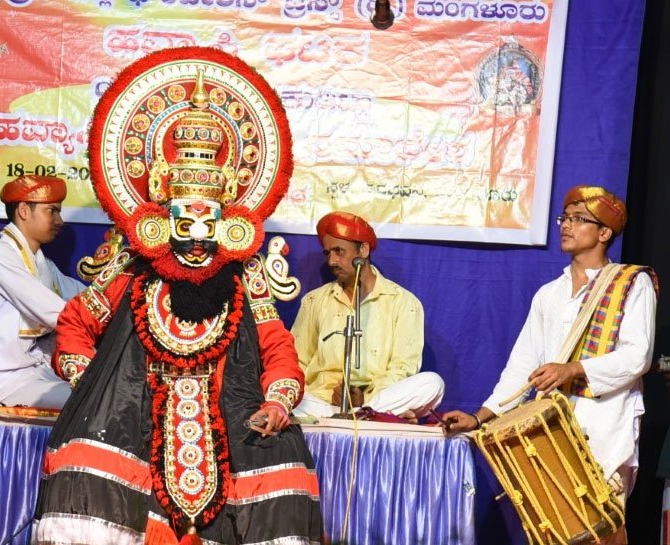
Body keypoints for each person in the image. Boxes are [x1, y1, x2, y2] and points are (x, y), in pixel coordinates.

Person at [33, 48, 323, 544]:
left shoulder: (245, 275)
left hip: (231, 416)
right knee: (84, 460)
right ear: (161, 220)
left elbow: (277, 348)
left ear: (229, 224)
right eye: (184, 225)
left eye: (208, 226)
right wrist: (93, 384)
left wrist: (277, 401)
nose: (196, 241)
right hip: (136, 415)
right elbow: (76, 324)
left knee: (284, 462)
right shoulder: (133, 269)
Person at [443, 185, 658, 541]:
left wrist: (572, 369)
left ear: (604, 233)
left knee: (601, 528)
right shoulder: (549, 294)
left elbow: (638, 356)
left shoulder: (632, 284)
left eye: (579, 219)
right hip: (550, 428)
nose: (566, 225)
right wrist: (480, 417)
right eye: (565, 218)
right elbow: (522, 366)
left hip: (606, 423)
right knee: (554, 532)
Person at [291, 211, 444, 421]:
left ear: (363, 250)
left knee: (432, 384)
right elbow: (296, 361)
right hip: (321, 404)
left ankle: (364, 414)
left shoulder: (404, 302)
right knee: (278, 393)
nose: (332, 261)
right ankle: (370, 418)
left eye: (339, 251)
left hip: (376, 400)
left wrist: (365, 398)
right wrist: (322, 395)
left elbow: (403, 369)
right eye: (327, 253)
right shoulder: (314, 301)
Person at [0, 174, 85, 409]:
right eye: (52, 211)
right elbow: (56, 312)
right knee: (88, 401)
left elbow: (84, 298)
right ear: (24, 211)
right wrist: (94, 315)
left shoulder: (44, 265)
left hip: (31, 374)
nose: (59, 221)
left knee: (95, 391)